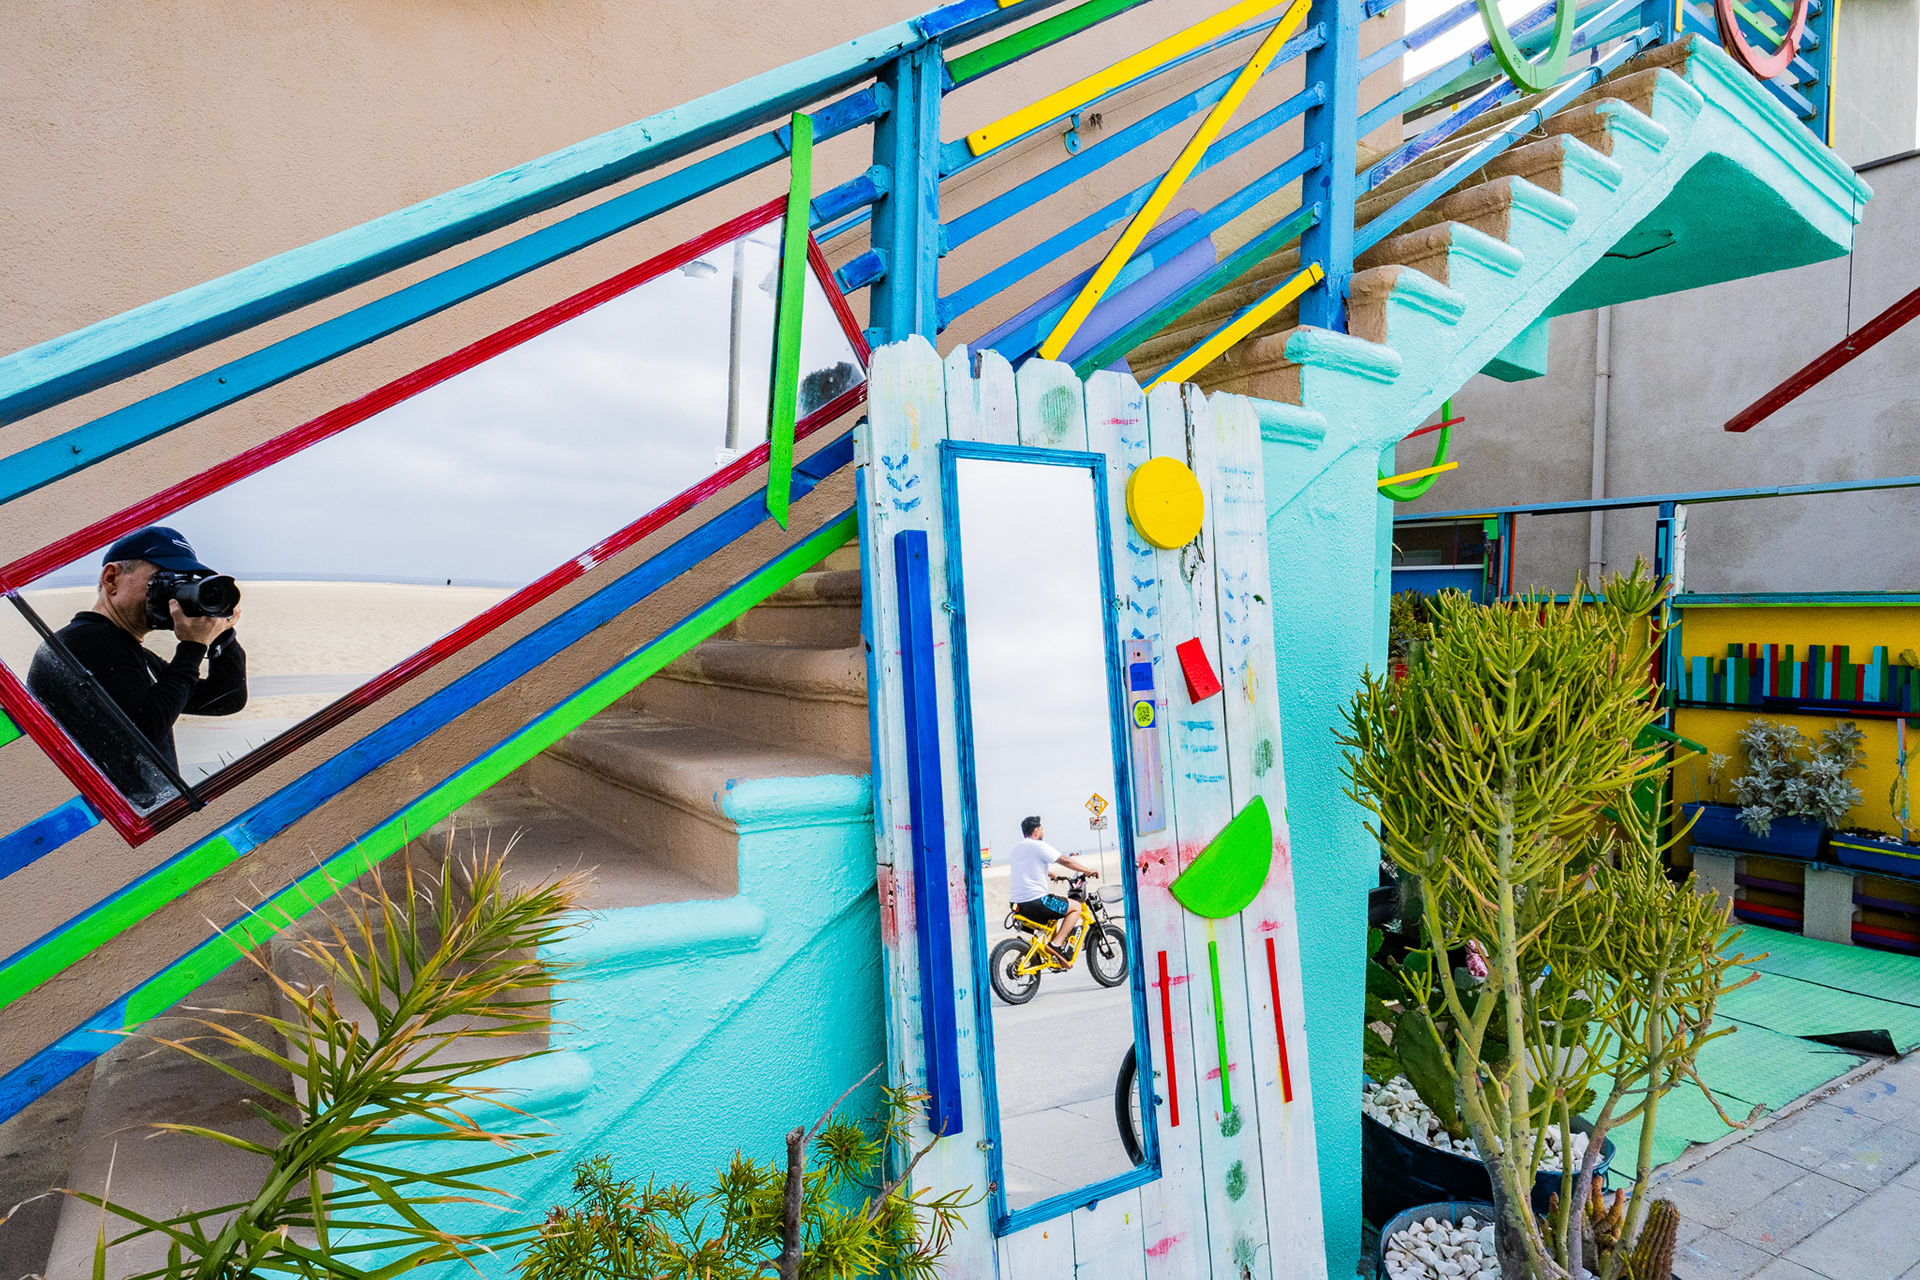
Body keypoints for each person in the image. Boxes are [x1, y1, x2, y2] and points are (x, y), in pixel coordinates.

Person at [26, 526, 246, 804]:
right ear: (111, 578)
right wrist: (192, 647)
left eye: (182, 584)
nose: (173, 597)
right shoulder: (83, 642)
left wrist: (220, 631)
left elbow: (225, 698)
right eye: (163, 580)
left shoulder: (126, 650)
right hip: (108, 820)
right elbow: (142, 733)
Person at [1008, 815, 1098, 964]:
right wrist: (1087, 870)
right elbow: (1065, 860)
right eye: (1042, 829)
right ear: (1036, 830)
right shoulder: (1039, 846)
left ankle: (1051, 955)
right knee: (1076, 907)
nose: (1043, 831)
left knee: (1054, 912)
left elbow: (1027, 868)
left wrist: (1051, 874)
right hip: (1037, 902)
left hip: (1018, 904)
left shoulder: (1016, 849)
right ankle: (1056, 945)